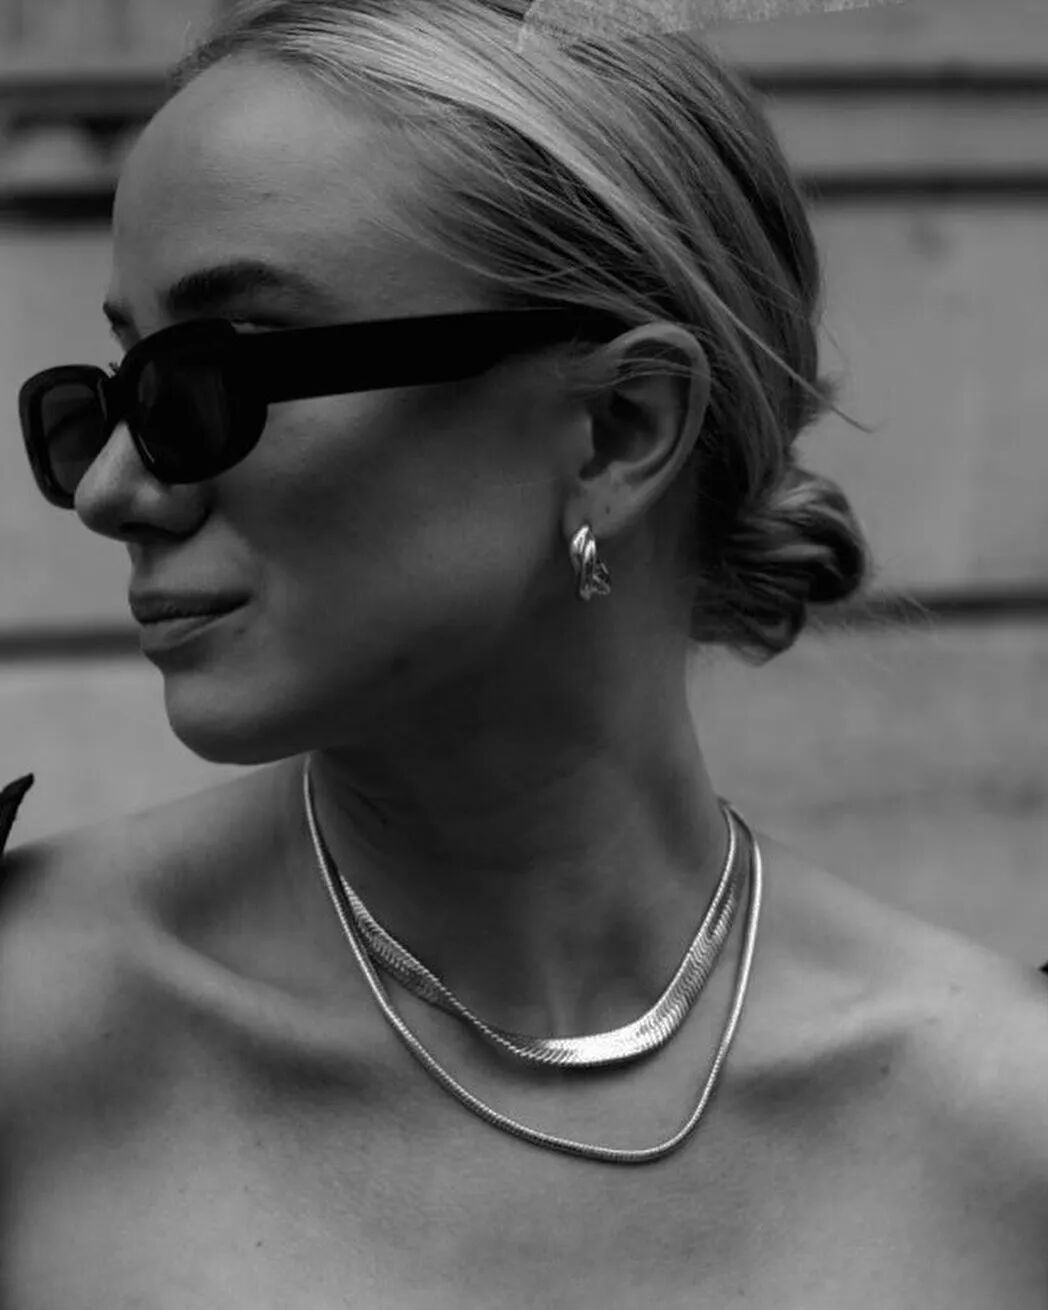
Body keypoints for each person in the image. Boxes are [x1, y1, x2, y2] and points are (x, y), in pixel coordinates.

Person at [3, 1, 1046, 1303]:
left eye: (218, 374)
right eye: (114, 384)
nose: (111, 488)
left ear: (618, 428)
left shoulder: (1003, 1126)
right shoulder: (34, 1035)